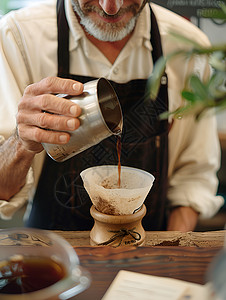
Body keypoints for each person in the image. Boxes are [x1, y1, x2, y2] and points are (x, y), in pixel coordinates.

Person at [0, 0, 223, 232]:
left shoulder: (189, 47)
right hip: (53, 253)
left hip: (148, 252)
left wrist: (168, 251)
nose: (111, 8)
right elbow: (2, 191)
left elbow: (194, 177)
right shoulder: (17, 37)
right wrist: (20, 143)